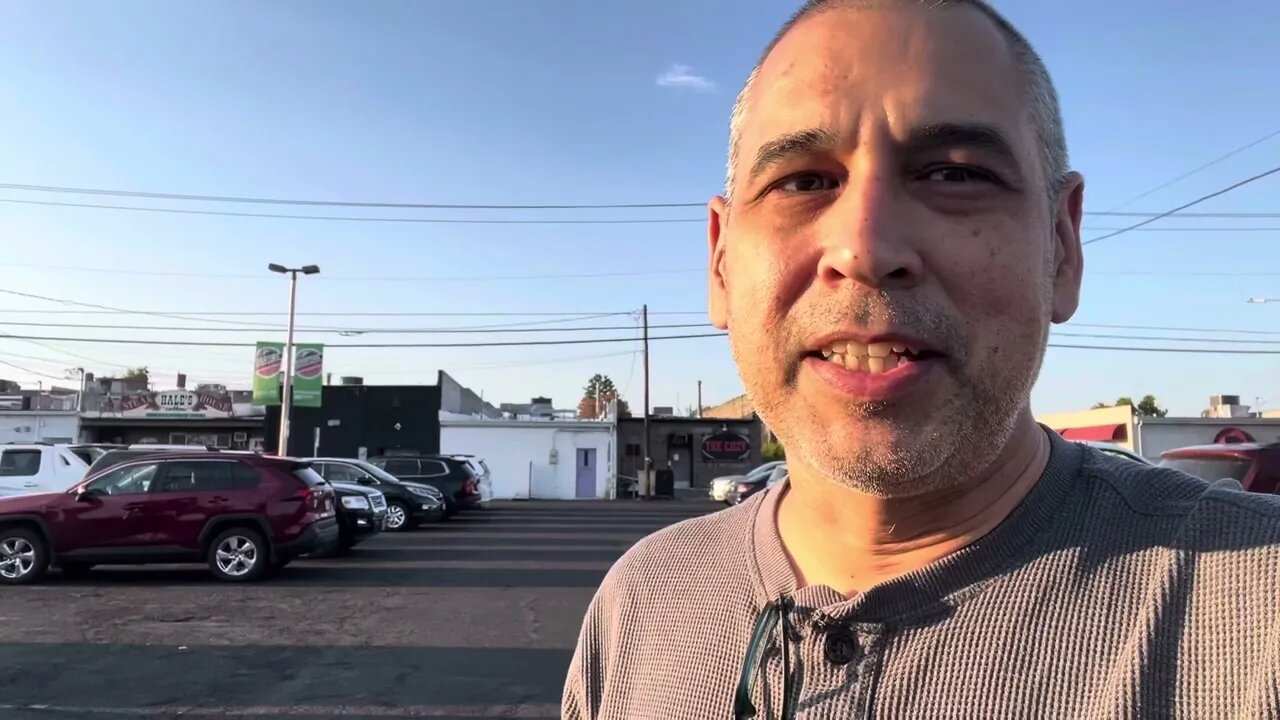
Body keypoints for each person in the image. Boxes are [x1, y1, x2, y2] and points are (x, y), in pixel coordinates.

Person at [562, 1, 1280, 718]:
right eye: (804, 181)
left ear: (1061, 246)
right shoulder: (639, 605)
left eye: (953, 174)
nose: (867, 249)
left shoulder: (1255, 617)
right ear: (719, 263)